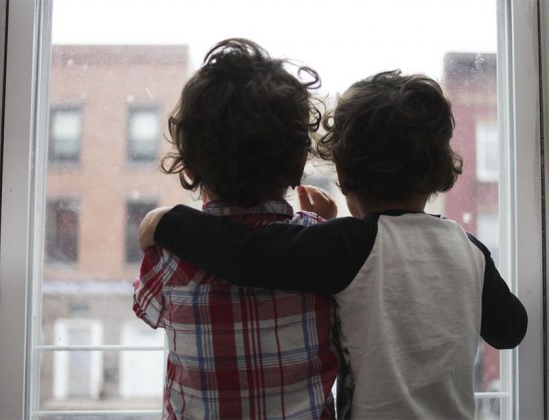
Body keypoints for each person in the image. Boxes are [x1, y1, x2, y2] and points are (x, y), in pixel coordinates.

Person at [138, 70, 528, 419]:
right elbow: (510, 330)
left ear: (341, 173)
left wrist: (170, 222)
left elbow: (248, 255)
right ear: (439, 169)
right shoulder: (468, 248)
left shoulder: (349, 245)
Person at [133, 38, 340, 419]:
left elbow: (148, 310)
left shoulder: (171, 255)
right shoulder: (323, 248)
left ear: (189, 167)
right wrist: (327, 227)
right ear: (297, 166)